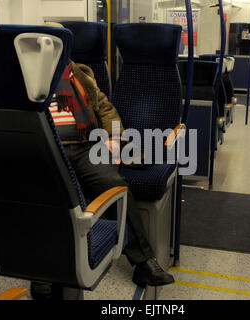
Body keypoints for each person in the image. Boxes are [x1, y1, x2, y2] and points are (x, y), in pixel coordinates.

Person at [31, 22, 174, 299]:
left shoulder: (80, 74)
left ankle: (143, 262)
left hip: (85, 146)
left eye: (58, 43)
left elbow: (105, 109)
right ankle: (43, 274)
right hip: (48, 147)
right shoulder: (27, 75)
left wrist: (115, 138)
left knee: (116, 186)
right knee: (45, 197)